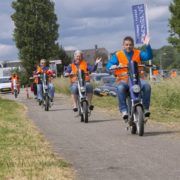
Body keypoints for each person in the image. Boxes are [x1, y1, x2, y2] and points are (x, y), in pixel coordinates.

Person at [106, 36, 153, 120]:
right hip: (124, 79)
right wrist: (114, 65)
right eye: (126, 45)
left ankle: (145, 108)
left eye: (130, 45)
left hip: (137, 78)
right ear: (123, 45)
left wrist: (147, 45)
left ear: (133, 45)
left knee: (147, 86)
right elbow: (108, 65)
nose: (128, 46)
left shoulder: (138, 53)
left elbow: (149, 56)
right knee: (120, 88)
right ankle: (124, 110)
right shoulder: (118, 54)